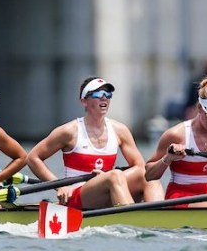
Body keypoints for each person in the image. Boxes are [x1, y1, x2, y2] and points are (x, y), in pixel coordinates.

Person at [27, 77, 163, 209]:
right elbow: (33, 158)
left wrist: (105, 178)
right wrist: (59, 185)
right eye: (98, 94)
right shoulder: (69, 131)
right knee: (114, 176)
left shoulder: (120, 130)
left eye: (108, 94)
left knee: (148, 175)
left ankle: (160, 217)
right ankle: (134, 218)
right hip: (76, 196)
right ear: (84, 101)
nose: (104, 98)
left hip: (110, 186)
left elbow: (139, 166)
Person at [145, 76, 207, 208]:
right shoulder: (176, 134)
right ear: (199, 108)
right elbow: (149, 175)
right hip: (179, 195)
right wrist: (168, 158)